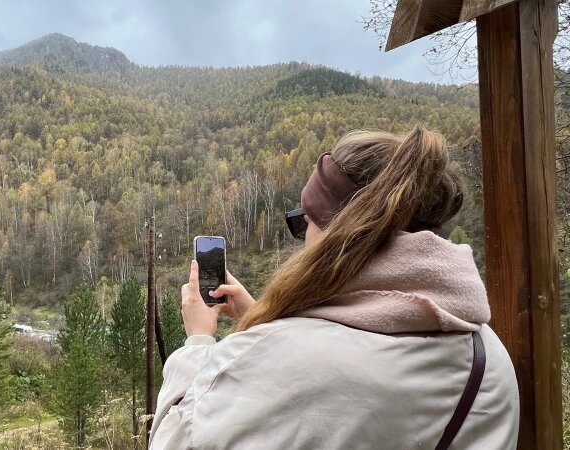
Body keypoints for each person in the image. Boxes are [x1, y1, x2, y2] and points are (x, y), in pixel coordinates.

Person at [149, 126, 519, 449]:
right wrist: (262, 319)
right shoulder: (489, 353)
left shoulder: (275, 360)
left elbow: (177, 438)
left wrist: (198, 343)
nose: (301, 236)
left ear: (337, 237)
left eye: (304, 222)